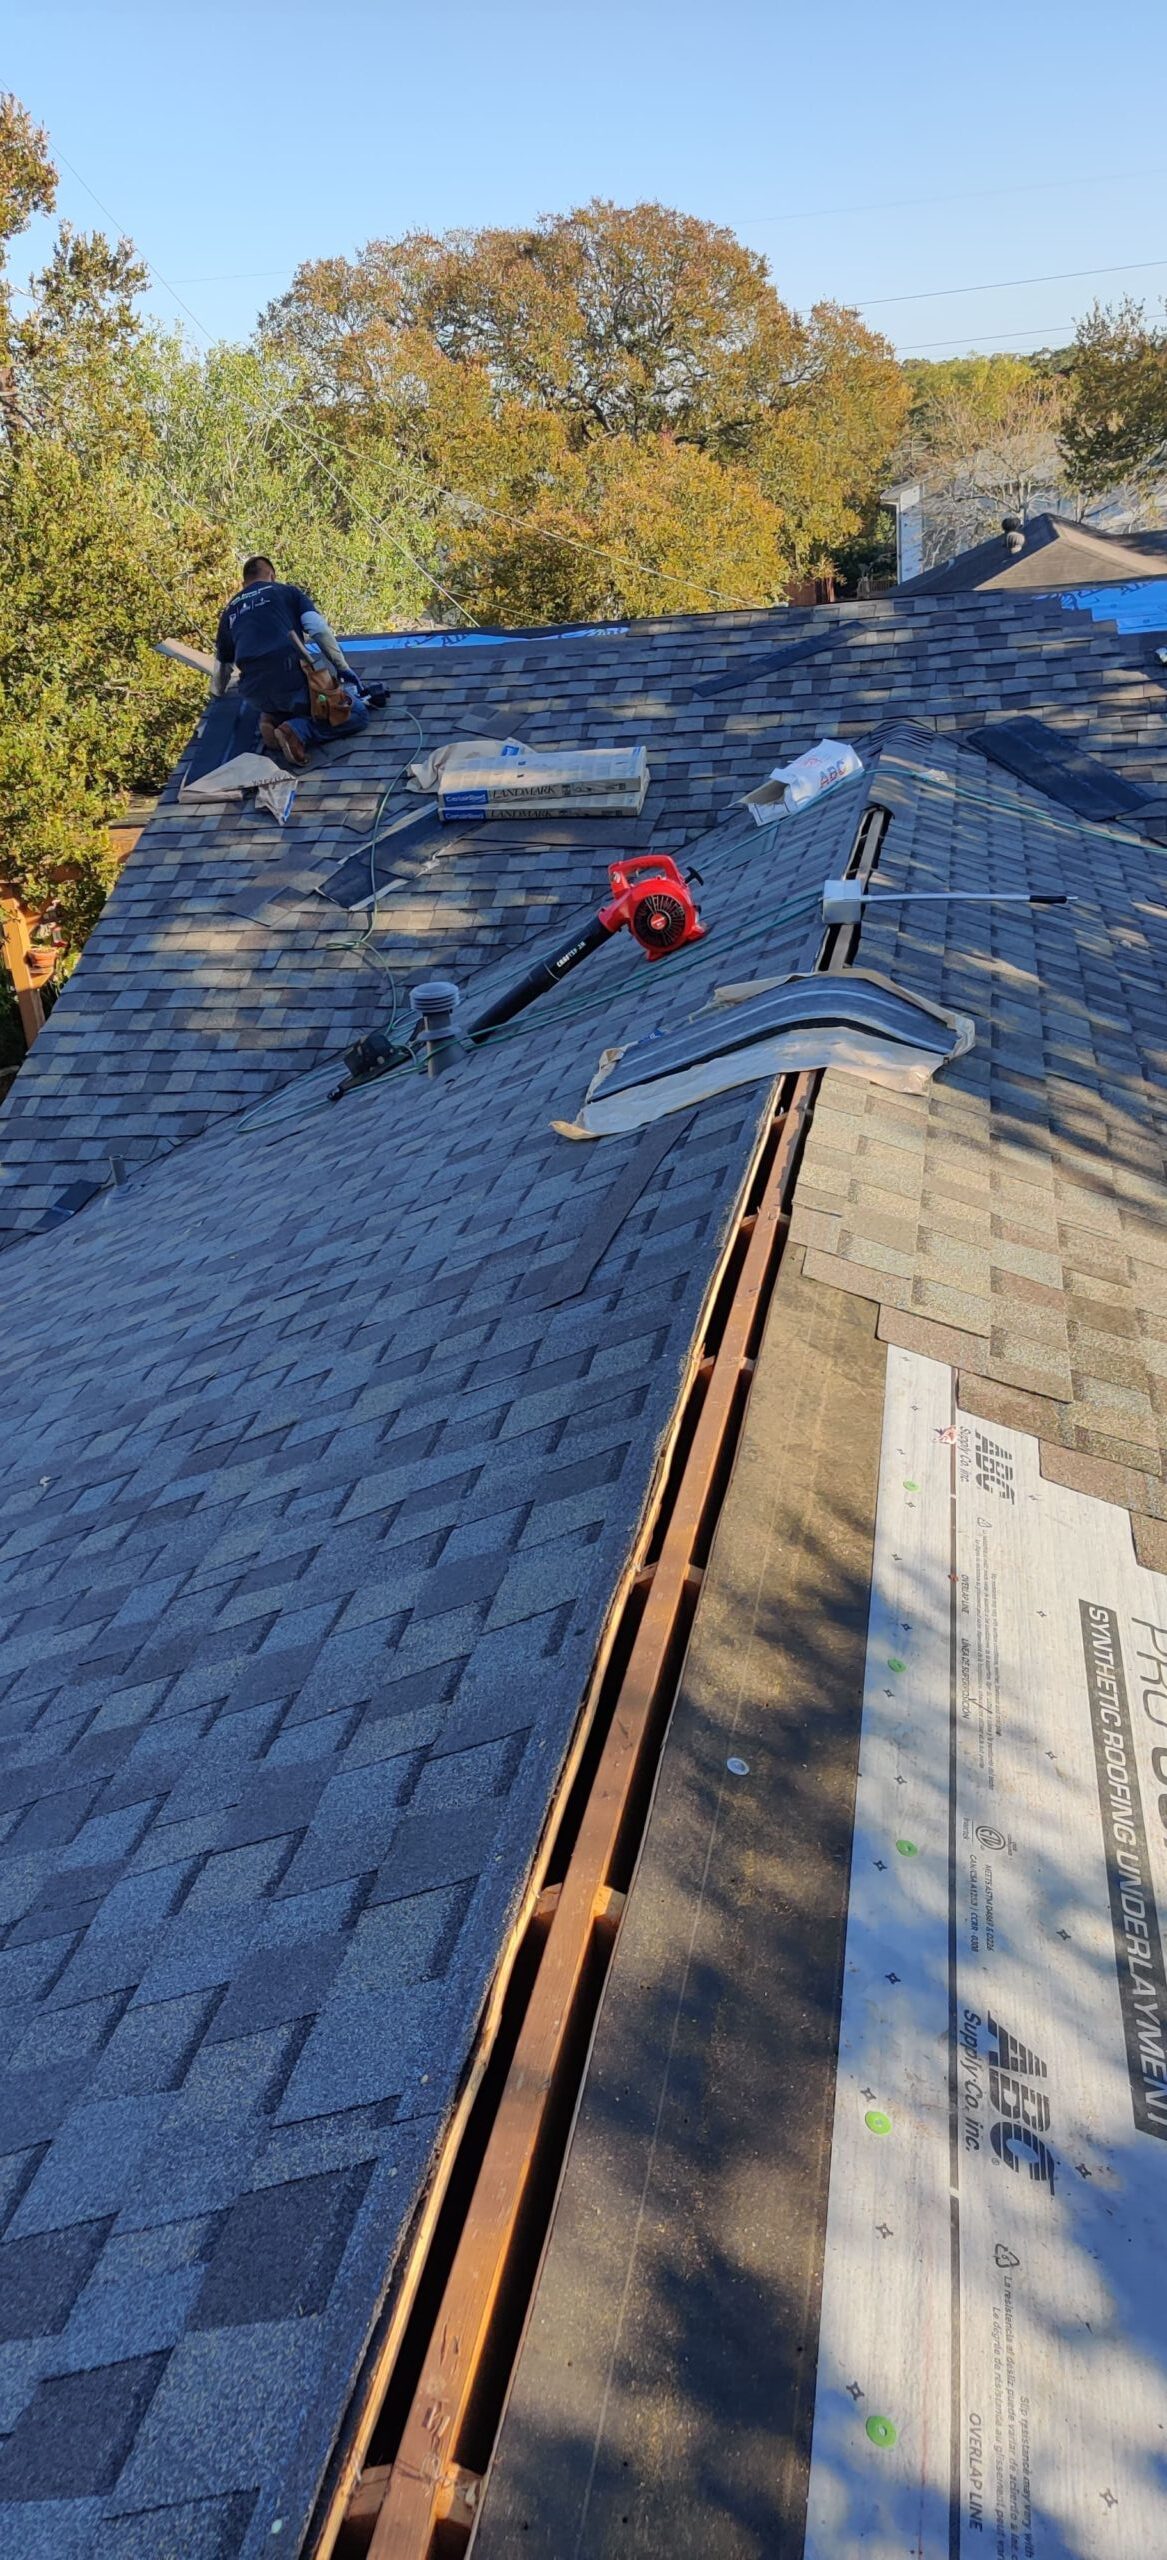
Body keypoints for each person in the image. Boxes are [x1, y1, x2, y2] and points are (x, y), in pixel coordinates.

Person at [211, 556, 370, 767]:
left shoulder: (230, 610)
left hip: (254, 692)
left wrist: (217, 694)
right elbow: (318, 629)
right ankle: (297, 731)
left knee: (285, 702)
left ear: (244, 583)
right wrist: (342, 667)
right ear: (272, 576)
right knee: (355, 713)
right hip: (289, 681)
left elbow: (222, 665)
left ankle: (273, 719)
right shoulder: (286, 592)